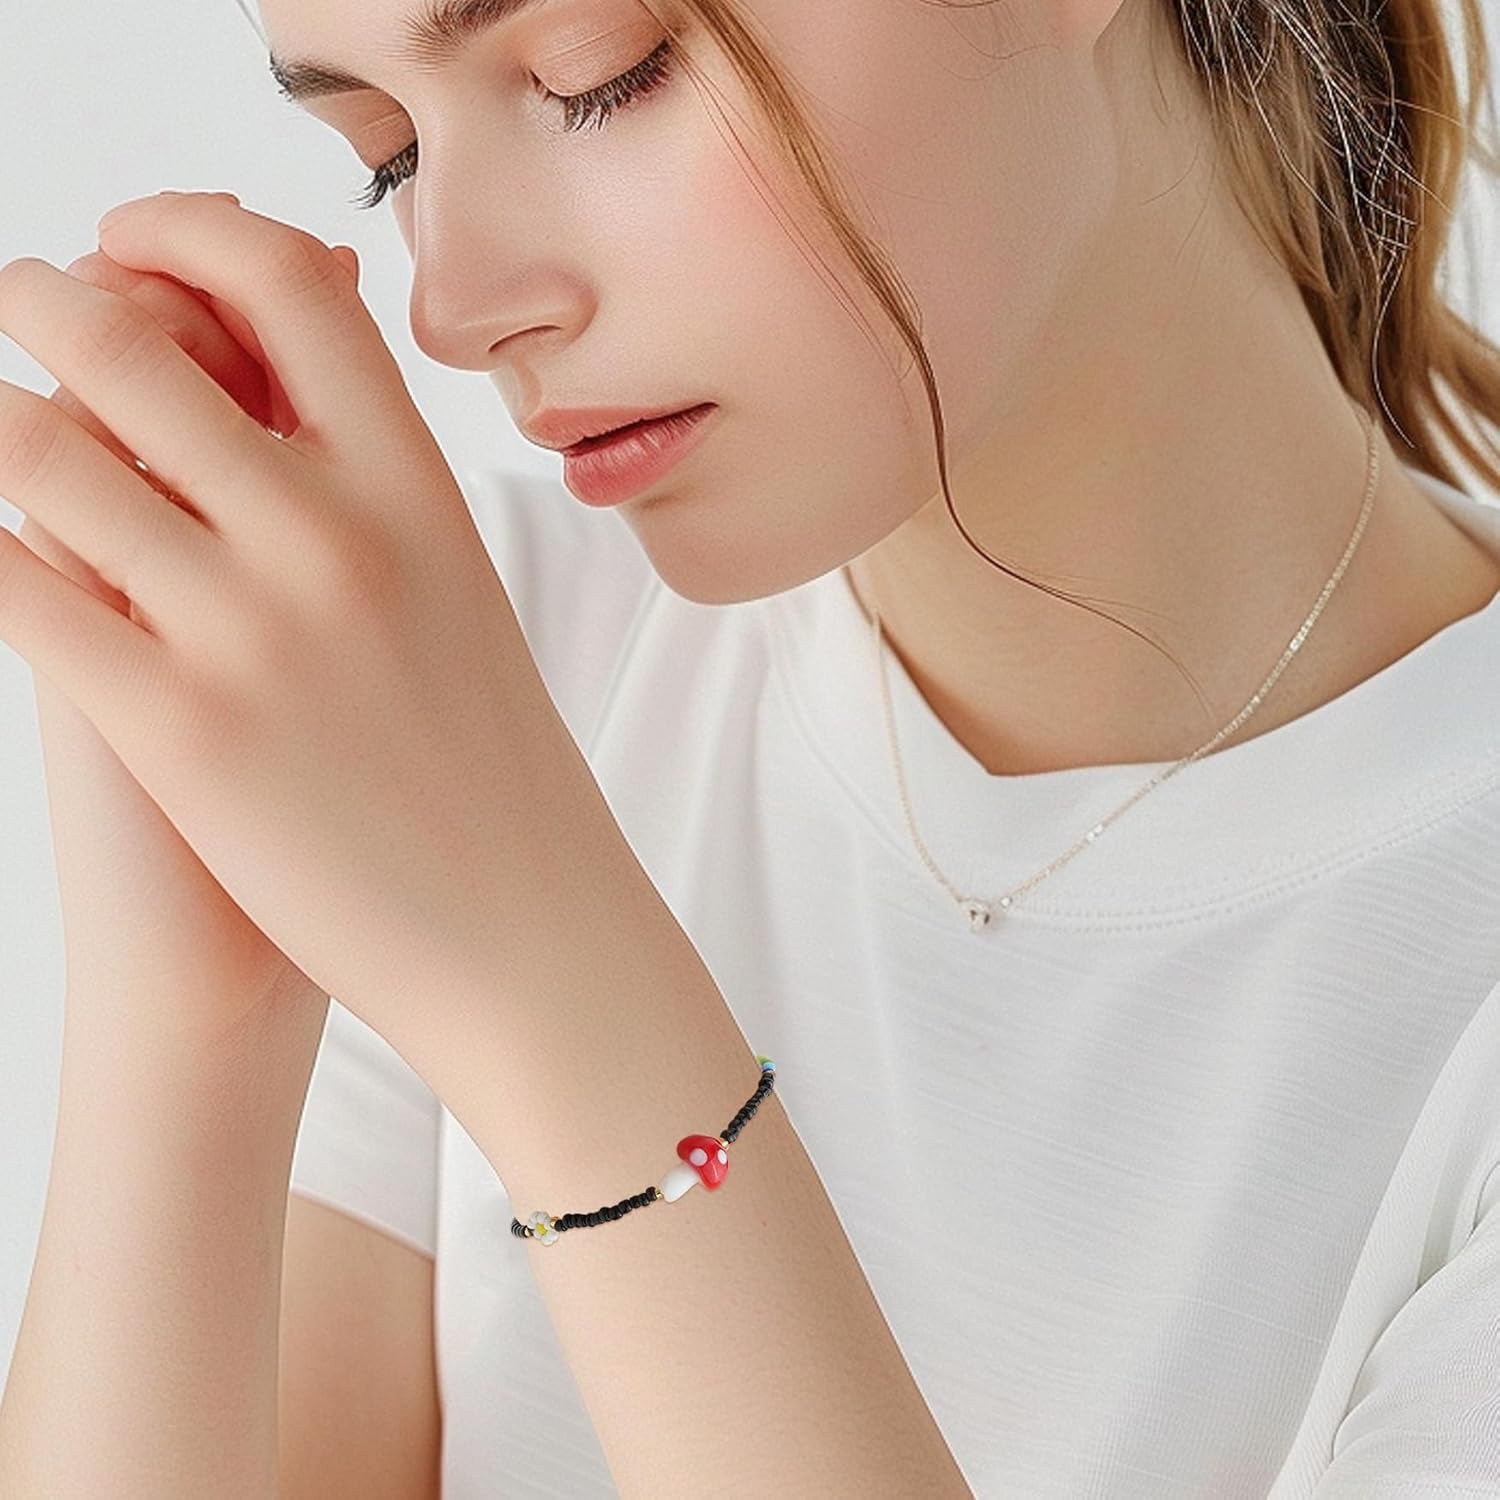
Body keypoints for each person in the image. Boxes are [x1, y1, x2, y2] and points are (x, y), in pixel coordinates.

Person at [1, 0, 1499, 1495]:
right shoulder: (493, 685)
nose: (451, 307)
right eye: (389, 156)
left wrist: (561, 998)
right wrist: (191, 1033)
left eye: (601, 74)